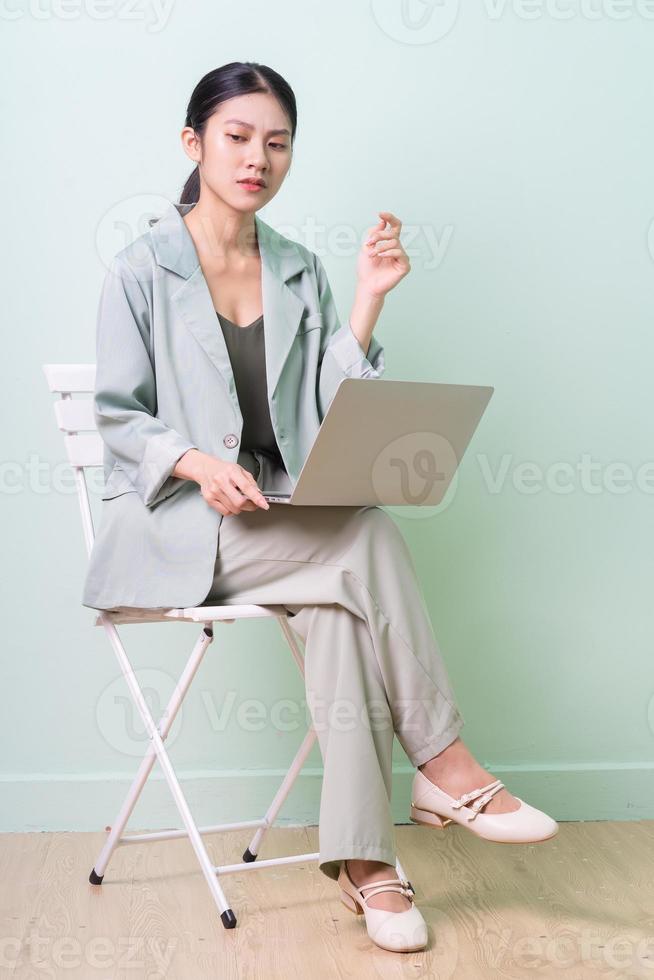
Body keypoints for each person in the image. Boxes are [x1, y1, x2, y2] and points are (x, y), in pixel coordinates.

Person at [84, 61, 558, 954]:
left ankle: (368, 866)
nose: (257, 157)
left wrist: (369, 301)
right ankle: (446, 764)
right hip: (179, 526)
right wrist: (190, 460)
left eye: (276, 142)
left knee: (343, 599)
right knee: (363, 539)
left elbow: (322, 416)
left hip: (284, 520)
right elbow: (116, 414)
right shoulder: (139, 272)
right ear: (194, 143)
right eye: (236, 137)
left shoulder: (300, 271)